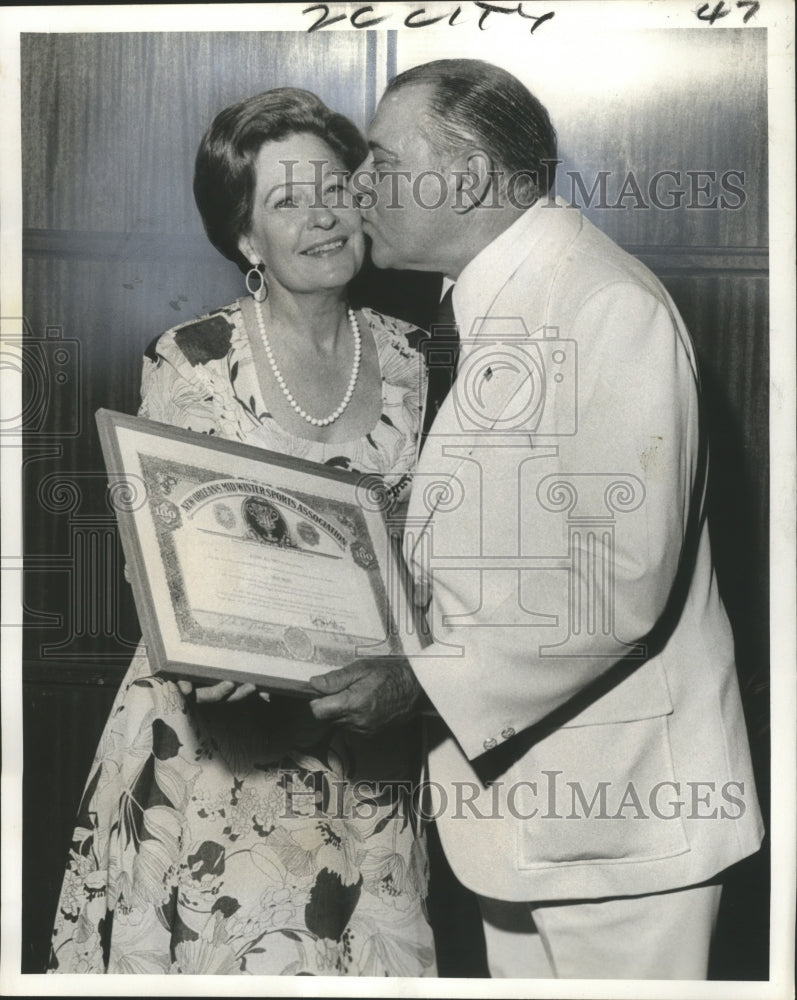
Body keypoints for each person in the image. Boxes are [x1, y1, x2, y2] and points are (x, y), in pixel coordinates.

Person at [308, 59, 765, 979]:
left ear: (468, 177)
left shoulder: (601, 304)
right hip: (538, 819)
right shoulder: (506, 297)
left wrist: (423, 684)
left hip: (622, 826)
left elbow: (614, 587)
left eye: (382, 162)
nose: (357, 187)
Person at [47, 88, 435, 977]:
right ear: (246, 240)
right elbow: (173, 557)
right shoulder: (191, 356)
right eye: (285, 201)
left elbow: (427, 558)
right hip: (219, 752)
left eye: (334, 187)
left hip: (365, 746)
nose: (323, 216)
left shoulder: (420, 358)